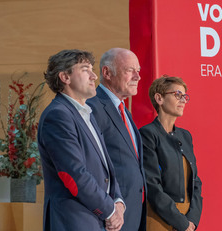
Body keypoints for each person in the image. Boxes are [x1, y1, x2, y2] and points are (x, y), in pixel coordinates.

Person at [38, 49, 125, 231]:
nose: (94, 76)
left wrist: (118, 201)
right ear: (65, 77)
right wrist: (109, 210)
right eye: (85, 69)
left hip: (96, 221)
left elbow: (106, 168)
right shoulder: (58, 115)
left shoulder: (87, 114)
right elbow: (73, 174)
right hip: (74, 221)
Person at [87, 48, 147, 231]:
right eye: (130, 70)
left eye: (138, 70)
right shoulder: (92, 107)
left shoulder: (123, 110)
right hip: (110, 216)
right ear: (107, 73)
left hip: (133, 212)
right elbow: (92, 165)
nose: (138, 77)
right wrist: (109, 208)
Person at [139, 76, 203, 231]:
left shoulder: (185, 136)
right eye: (177, 95)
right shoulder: (148, 133)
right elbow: (152, 185)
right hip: (158, 217)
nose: (183, 100)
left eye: (185, 96)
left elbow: (195, 182)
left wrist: (192, 221)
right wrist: (180, 222)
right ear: (159, 98)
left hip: (187, 219)